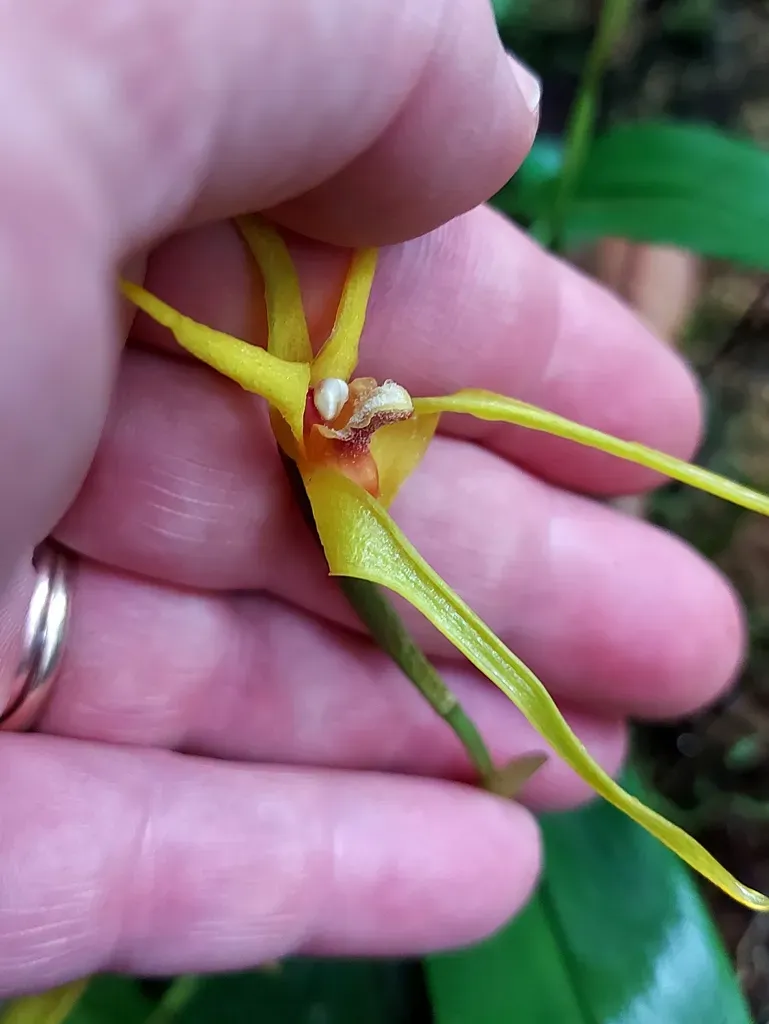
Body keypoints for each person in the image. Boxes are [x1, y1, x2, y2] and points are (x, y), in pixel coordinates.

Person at [0, 0, 743, 996]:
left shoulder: (328, 405)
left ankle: (550, 780)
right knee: (486, 678)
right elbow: (183, 309)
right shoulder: (309, 408)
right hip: (310, 510)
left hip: (310, 506)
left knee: (503, 680)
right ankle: (554, 783)